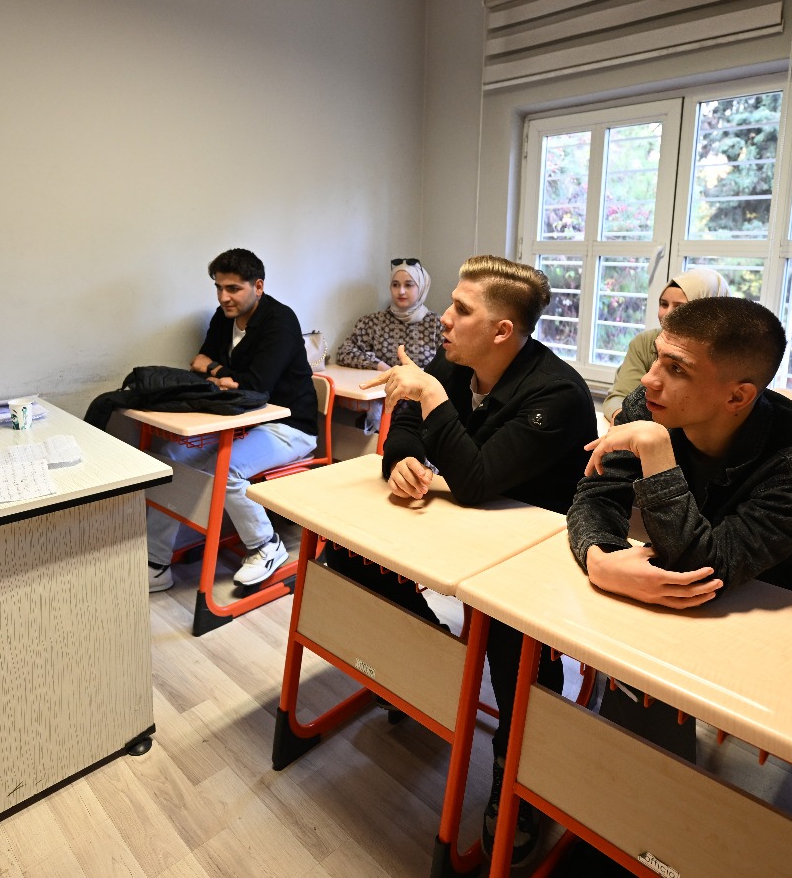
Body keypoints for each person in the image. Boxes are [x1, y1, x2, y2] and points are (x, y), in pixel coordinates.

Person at [560, 297, 792, 877]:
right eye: (657, 357)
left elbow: (705, 565)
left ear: (737, 396)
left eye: (676, 368)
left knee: (734, 803)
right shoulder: (651, 404)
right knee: (630, 673)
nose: (649, 380)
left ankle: (676, 839)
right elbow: (596, 495)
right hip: (706, 609)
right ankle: (623, 830)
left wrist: (657, 455)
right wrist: (598, 556)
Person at [338, 255, 597, 865]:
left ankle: (518, 765)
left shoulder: (557, 393)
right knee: (349, 556)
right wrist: (403, 458)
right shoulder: (457, 362)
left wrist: (430, 397)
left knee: (511, 634)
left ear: (502, 330)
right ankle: (427, 660)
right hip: (464, 530)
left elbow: (477, 480)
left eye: (460, 309)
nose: (445, 320)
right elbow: (406, 422)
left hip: (534, 553)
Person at [146, 248, 318, 591]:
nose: (224, 297)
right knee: (171, 457)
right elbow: (202, 364)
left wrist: (214, 369)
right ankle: (155, 561)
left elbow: (255, 385)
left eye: (234, 289)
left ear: (258, 286)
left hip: (290, 426)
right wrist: (222, 374)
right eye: (219, 288)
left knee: (224, 469)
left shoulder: (280, 320)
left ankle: (267, 545)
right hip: (240, 420)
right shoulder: (223, 316)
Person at [601, 267, 728, 422]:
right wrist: (624, 421)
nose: (667, 314)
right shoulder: (647, 341)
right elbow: (619, 396)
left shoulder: (727, 355)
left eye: (679, 307)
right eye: (664, 304)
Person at [333, 258, 440, 433]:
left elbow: (448, 368)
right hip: (383, 406)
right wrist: (380, 366)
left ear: (421, 287)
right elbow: (345, 352)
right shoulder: (374, 322)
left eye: (409, 285)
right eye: (395, 285)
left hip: (421, 411)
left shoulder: (436, 325)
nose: (401, 291)